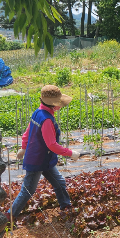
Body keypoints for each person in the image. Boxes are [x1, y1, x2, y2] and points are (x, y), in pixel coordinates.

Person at [10, 85, 81, 220]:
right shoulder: (46, 120)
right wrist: (70, 153)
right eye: (59, 104)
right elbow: (52, 145)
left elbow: (27, 132)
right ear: (54, 105)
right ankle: (9, 216)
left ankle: (66, 206)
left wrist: (24, 147)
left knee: (59, 182)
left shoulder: (38, 112)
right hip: (37, 160)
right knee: (27, 191)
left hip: (45, 159)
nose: (60, 106)